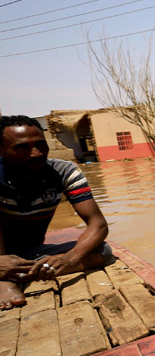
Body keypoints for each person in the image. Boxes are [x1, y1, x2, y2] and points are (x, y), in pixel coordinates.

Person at [0, 115, 109, 309]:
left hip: (30, 253)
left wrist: (70, 258)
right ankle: (6, 278)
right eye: (22, 147)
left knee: (103, 252)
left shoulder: (63, 172)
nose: (36, 153)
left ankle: (18, 274)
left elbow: (98, 224)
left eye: (41, 144)